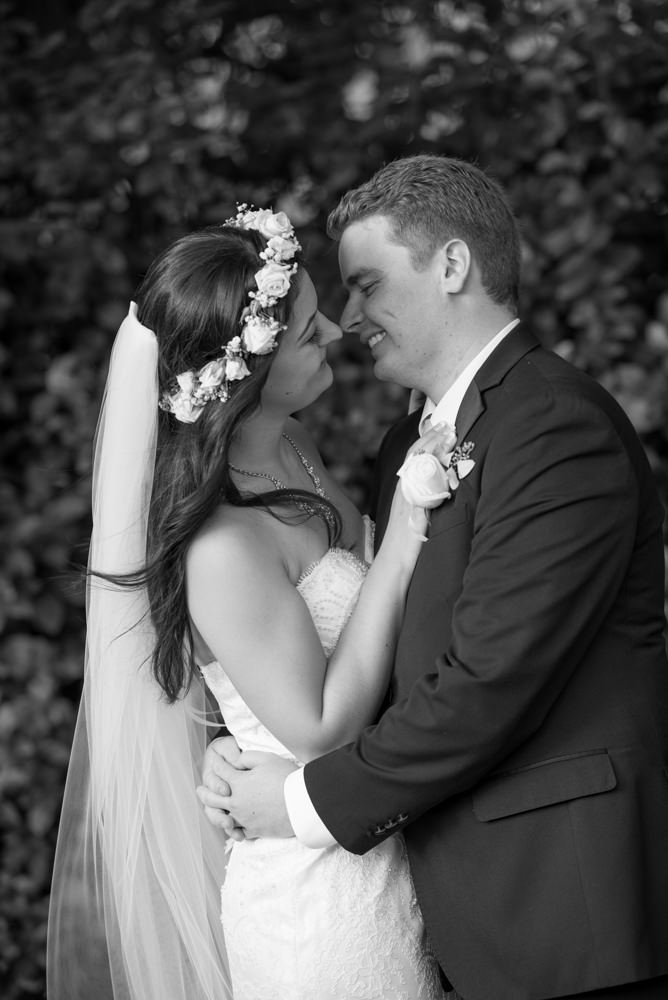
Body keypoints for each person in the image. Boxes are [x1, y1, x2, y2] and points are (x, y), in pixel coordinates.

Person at [199, 155, 668, 1000]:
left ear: (452, 266)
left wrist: (301, 803)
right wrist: (241, 744)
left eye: (368, 284)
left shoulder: (553, 426)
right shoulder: (400, 448)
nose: (348, 318)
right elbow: (376, 654)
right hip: (444, 914)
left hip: (565, 919)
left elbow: (490, 681)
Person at [46, 206, 452, 1000]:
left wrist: (220, 750)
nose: (336, 329)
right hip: (319, 906)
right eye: (306, 331)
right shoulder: (224, 547)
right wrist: (403, 535)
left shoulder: (296, 447)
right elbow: (320, 726)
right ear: (249, 376)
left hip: (379, 846)